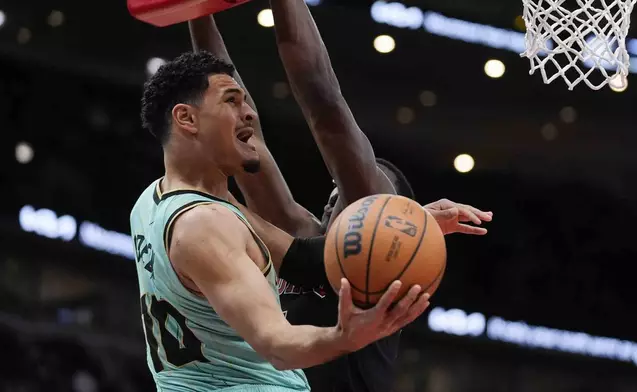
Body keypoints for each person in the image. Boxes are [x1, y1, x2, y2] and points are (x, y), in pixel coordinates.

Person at [188, 6, 492, 392]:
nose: (336, 200)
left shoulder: (378, 268)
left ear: (393, 220)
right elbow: (246, 136)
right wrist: (198, 12)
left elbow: (325, 104)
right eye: (334, 195)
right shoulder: (302, 241)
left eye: (356, 195)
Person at [129, 51, 431, 392]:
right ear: (187, 118)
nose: (249, 113)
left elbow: (303, 257)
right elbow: (277, 343)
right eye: (232, 101)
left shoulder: (151, 202)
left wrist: (418, 220)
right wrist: (342, 337)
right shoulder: (205, 225)